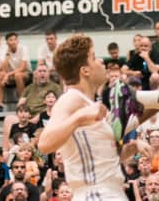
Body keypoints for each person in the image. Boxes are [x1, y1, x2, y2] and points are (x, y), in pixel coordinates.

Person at [38, 34, 149, 201]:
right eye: (94, 57)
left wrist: (131, 148)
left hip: (108, 192)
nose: (101, 62)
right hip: (95, 194)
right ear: (85, 70)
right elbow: (45, 144)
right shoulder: (71, 98)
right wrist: (79, 117)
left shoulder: (89, 103)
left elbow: (100, 162)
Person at [0, 33, 32, 110]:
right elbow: (4, 69)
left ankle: (22, 102)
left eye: (15, 39)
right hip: (12, 74)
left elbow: (23, 67)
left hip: (26, 74)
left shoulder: (23, 48)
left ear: (18, 41)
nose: (13, 42)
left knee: (18, 75)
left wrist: (8, 75)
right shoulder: (4, 51)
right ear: (7, 43)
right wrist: (7, 55)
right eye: (11, 40)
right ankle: (0, 103)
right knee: (1, 74)